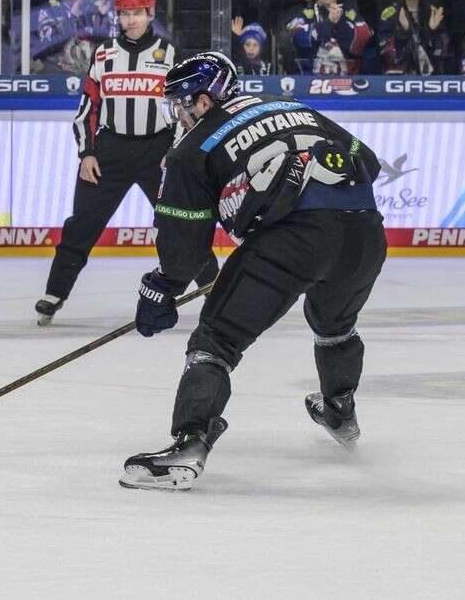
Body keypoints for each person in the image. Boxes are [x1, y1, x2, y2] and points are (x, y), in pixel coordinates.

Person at [119, 52, 386, 491]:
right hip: (365, 235)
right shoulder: (291, 108)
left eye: (181, 104)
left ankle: (189, 444)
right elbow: (367, 162)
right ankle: (340, 409)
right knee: (334, 325)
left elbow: (183, 241)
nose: (179, 115)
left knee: (216, 341)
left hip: (293, 241)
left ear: (204, 101)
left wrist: (162, 286)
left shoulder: (193, 148)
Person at [35, 0, 218, 326]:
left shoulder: (171, 53)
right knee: (81, 226)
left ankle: (215, 290)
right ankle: (54, 294)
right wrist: (87, 153)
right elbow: (88, 107)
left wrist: (176, 151)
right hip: (110, 151)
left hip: (160, 150)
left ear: (150, 13)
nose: (130, 20)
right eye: (124, 13)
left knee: (183, 224)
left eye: (137, 13)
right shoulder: (103, 54)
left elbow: (189, 109)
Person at [286, 0, 374, 74]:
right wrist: (329, 23)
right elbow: (295, 36)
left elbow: (364, 35)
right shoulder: (307, 14)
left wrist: (340, 24)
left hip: (348, 79)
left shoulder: (350, 13)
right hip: (312, 79)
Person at [378, 0, 450, 74]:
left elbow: (443, 52)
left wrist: (432, 31)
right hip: (397, 75)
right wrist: (403, 32)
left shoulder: (433, 13)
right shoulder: (390, 13)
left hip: (429, 76)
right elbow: (384, 52)